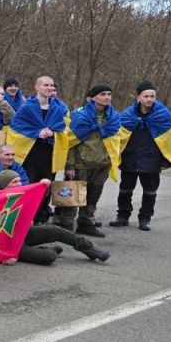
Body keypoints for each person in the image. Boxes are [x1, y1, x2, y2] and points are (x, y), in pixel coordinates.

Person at [110, 80, 171, 231]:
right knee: (125, 189)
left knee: (150, 192)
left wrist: (166, 159)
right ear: (138, 97)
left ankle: (145, 218)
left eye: (152, 96)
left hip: (152, 160)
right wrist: (117, 156)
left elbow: (170, 139)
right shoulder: (127, 115)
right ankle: (122, 216)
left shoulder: (163, 115)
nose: (149, 99)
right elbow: (117, 137)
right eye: (146, 96)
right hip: (130, 158)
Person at [0, 172, 109, 265]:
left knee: (56, 230)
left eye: (19, 181)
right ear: (5, 185)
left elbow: (36, 199)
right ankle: (42, 250)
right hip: (8, 245)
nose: (19, 184)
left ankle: (89, 248)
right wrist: (3, 257)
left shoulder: (21, 194)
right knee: (50, 256)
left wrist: (42, 187)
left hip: (23, 234)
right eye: (15, 182)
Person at [55, 84, 119, 237]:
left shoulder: (114, 117)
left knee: (93, 197)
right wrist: (69, 165)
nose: (107, 97)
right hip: (80, 165)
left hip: (102, 164)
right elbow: (68, 142)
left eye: (109, 94)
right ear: (93, 97)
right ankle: (65, 226)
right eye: (103, 94)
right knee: (72, 197)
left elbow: (116, 141)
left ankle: (86, 223)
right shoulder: (80, 116)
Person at [6, 75, 67, 223]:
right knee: (29, 188)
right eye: (46, 85)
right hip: (30, 156)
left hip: (49, 155)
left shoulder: (57, 108)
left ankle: (41, 219)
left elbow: (64, 128)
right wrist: (36, 133)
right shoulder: (26, 107)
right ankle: (24, 221)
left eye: (52, 85)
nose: (50, 88)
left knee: (45, 188)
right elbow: (16, 129)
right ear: (37, 87)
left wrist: (54, 132)